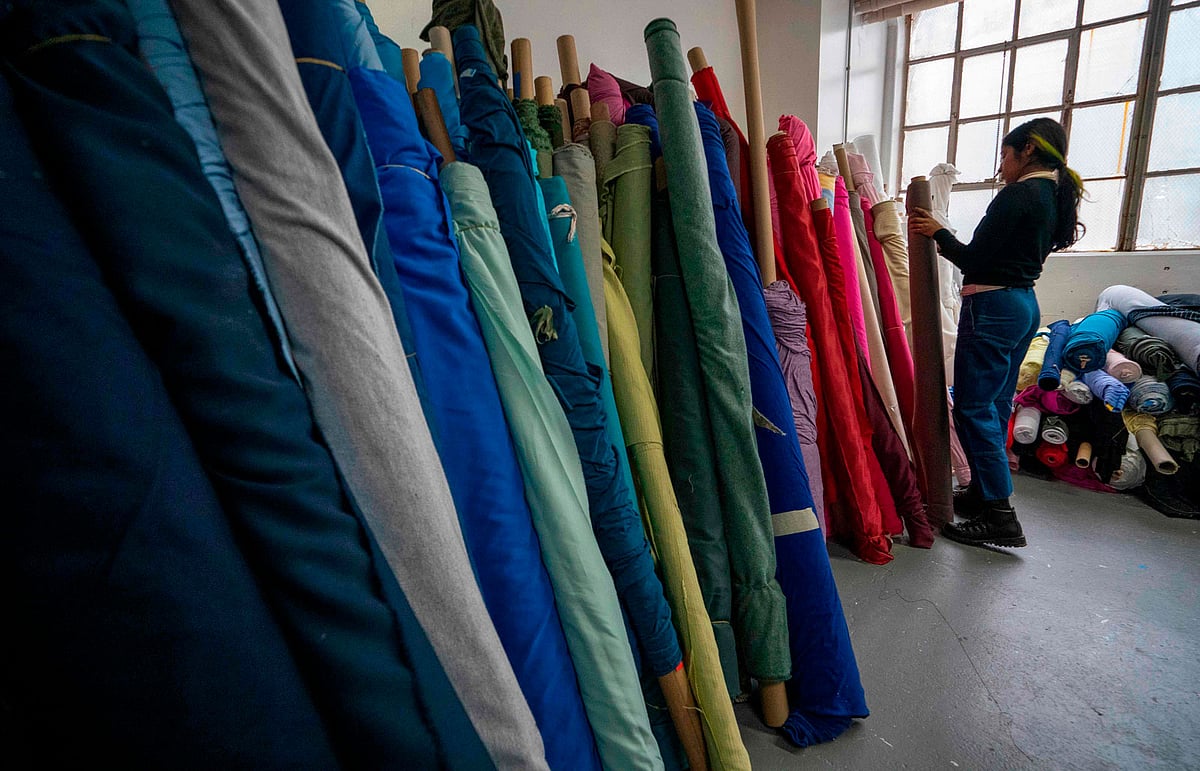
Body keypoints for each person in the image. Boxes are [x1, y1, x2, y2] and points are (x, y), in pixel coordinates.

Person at [908, 117, 1084, 549]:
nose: (1001, 165)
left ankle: (1001, 514)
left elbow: (974, 259)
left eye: (1005, 155)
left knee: (973, 408)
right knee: (996, 404)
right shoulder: (1051, 195)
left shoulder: (1020, 195)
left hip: (993, 305)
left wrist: (938, 233)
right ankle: (985, 495)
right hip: (1021, 304)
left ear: (1027, 151)